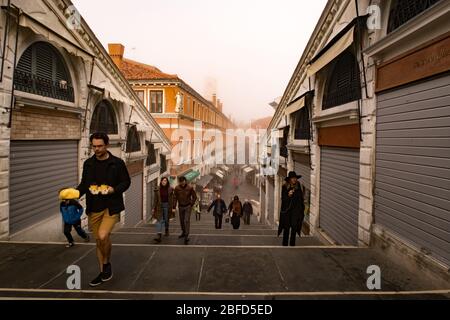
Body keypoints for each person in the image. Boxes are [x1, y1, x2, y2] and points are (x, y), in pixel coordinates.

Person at [76, 132, 131, 287]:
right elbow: (84, 185)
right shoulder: (88, 164)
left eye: (100, 146)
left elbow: (126, 182)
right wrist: (74, 193)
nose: (97, 149)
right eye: (94, 146)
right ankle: (102, 272)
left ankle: (106, 264)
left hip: (111, 206)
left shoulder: (117, 163)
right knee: (99, 241)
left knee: (102, 235)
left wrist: (114, 190)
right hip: (94, 207)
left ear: (106, 145)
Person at [278, 171, 305, 247]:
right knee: (286, 228)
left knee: (294, 227)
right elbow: (283, 199)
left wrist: (301, 209)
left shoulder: (298, 186)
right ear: (289, 179)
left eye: (295, 178)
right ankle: (285, 244)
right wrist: (288, 195)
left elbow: (300, 198)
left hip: (295, 211)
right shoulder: (284, 187)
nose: (294, 180)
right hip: (287, 211)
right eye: (293, 178)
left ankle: (292, 244)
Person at [173, 176, 197, 244]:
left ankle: (186, 236)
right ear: (179, 182)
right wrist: (174, 207)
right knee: (181, 221)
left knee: (186, 221)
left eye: (183, 181)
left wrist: (191, 204)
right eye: (181, 182)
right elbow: (175, 198)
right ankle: (183, 232)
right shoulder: (177, 188)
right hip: (180, 207)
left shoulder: (190, 188)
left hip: (187, 207)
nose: (182, 183)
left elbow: (194, 197)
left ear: (185, 181)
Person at [152, 177, 174, 243]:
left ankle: (167, 229)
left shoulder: (170, 189)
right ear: (161, 181)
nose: (164, 182)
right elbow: (155, 199)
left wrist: (173, 207)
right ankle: (159, 236)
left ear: (167, 182)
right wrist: (153, 208)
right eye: (163, 180)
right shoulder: (158, 189)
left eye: (165, 181)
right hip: (159, 206)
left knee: (166, 220)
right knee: (159, 220)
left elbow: (173, 198)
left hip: (167, 206)